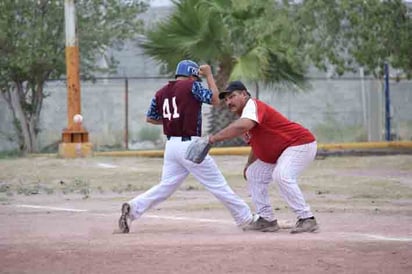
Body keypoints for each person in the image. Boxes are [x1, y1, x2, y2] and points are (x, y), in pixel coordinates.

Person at [118, 61, 267, 233]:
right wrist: (210, 75)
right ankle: (247, 218)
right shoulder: (191, 85)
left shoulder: (161, 92)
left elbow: (151, 118)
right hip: (189, 145)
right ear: (192, 75)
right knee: (217, 185)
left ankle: (133, 208)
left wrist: (172, 122)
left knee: (165, 187)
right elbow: (214, 99)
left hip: (171, 146)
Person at [208, 80, 319, 234]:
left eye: (232, 96)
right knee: (253, 173)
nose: (228, 102)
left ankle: (307, 218)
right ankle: (267, 220)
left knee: (281, 175)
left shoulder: (252, 106)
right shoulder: (246, 116)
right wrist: (248, 165)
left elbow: (242, 126)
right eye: (226, 99)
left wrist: (213, 138)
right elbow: (256, 145)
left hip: (300, 144)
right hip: (283, 151)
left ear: (244, 94)